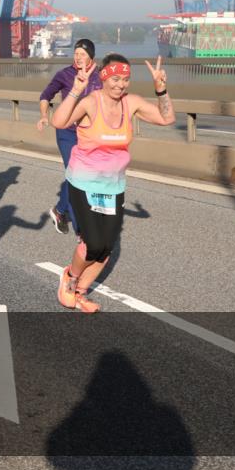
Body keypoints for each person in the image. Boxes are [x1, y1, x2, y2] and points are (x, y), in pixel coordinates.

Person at [51, 55, 174, 313]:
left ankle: (81, 292)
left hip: (113, 186)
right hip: (83, 182)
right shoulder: (90, 102)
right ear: (105, 78)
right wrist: (75, 89)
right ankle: (69, 279)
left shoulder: (131, 103)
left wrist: (161, 89)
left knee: (106, 247)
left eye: (126, 79)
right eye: (116, 79)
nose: (121, 85)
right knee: (92, 242)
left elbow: (166, 118)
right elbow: (59, 122)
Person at [37, 39, 101, 235]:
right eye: (76, 53)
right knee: (76, 175)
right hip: (67, 132)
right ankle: (81, 230)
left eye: (83, 54)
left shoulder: (100, 77)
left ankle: (60, 210)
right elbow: (46, 95)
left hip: (90, 133)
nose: (78, 57)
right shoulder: (65, 74)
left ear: (91, 57)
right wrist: (44, 116)